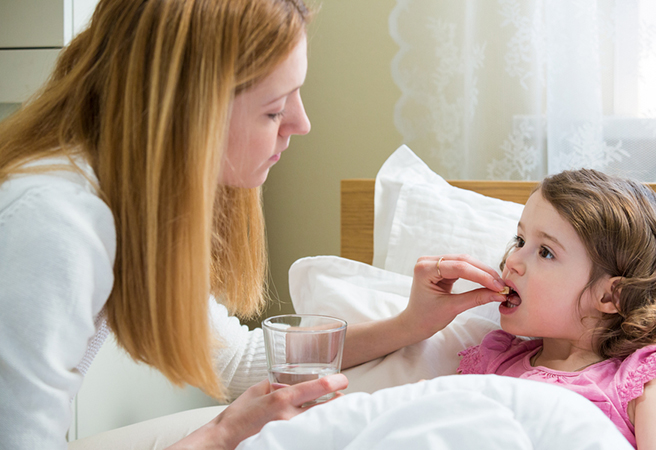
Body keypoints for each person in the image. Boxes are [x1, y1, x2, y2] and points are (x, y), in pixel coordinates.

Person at [0, 0, 507, 449]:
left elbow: (239, 363)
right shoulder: (54, 224)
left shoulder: (126, 200)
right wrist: (218, 437)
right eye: (272, 109)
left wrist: (409, 326)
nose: (301, 123)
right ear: (186, 112)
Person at [455, 169, 656, 449]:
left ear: (610, 296)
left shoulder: (645, 386)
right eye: (520, 241)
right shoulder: (492, 363)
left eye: (546, 252)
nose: (513, 260)